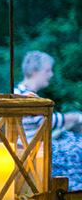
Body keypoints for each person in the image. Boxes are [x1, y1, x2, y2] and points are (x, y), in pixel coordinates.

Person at [16, 51, 82, 190]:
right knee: (77, 148)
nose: (51, 74)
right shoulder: (24, 96)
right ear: (35, 71)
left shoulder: (19, 91)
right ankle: (72, 190)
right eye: (47, 70)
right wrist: (76, 117)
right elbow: (50, 120)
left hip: (32, 148)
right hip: (30, 151)